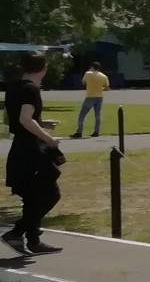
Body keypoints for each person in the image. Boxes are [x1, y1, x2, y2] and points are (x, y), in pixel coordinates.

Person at [4, 52, 65, 256]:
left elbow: (10, 120)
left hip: (20, 148)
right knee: (50, 193)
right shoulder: (31, 89)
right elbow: (24, 119)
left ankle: (33, 240)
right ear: (44, 68)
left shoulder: (13, 88)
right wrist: (49, 139)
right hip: (31, 149)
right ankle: (17, 233)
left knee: (33, 196)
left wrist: (42, 122)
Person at [71, 60, 110, 138]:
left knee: (82, 115)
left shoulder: (88, 74)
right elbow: (107, 88)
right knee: (97, 115)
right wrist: (100, 89)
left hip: (90, 96)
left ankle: (79, 132)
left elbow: (83, 82)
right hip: (99, 96)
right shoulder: (104, 76)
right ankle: (96, 131)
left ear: (92, 67)